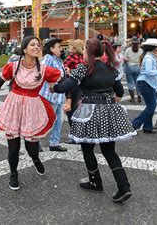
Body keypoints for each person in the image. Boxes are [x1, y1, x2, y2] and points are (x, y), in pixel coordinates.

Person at [52, 39, 136, 203]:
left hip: (89, 112)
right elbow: (119, 91)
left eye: (84, 51)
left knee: (87, 149)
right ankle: (124, 186)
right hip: (109, 111)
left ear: (89, 53)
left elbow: (64, 87)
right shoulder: (111, 68)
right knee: (109, 151)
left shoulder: (83, 69)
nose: (82, 54)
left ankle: (95, 181)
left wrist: (53, 87)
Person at [0, 36, 61, 191]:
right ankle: (13, 174)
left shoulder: (44, 69)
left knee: (31, 148)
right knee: (13, 147)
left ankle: (35, 159)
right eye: (33, 44)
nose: (36, 47)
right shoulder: (13, 66)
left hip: (32, 109)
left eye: (38, 45)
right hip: (13, 107)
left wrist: (56, 88)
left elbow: (59, 82)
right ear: (24, 49)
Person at [131, 39, 157, 133]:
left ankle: (147, 127)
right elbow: (149, 72)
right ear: (152, 48)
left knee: (150, 106)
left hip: (147, 83)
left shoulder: (150, 57)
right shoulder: (149, 58)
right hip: (146, 83)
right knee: (151, 107)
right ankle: (133, 125)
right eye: (156, 47)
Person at [40, 38, 67, 152]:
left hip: (59, 96)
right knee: (45, 121)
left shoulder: (59, 60)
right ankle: (35, 142)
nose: (60, 49)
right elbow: (41, 71)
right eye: (58, 47)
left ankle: (54, 143)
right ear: (51, 49)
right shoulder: (48, 58)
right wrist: (52, 80)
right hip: (49, 96)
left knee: (59, 120)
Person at [63, 39, 85, 144]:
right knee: (79, 111)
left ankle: (74, 135)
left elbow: (64, 69)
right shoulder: (83, 58)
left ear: (75, 48)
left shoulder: (71, 58)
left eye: (70, 47)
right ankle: (81, 134)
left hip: (72, 87)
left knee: (70, 111)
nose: (69, 49)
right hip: (82, 87)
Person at [123, 36, 142, 103]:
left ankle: (132, 98)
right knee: (138, 83)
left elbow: (124, 59)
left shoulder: (128, 50)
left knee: (130, 82)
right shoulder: (140, 50)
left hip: (129, 67)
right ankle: (139, 95)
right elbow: (142, 59)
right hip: (138, 67)